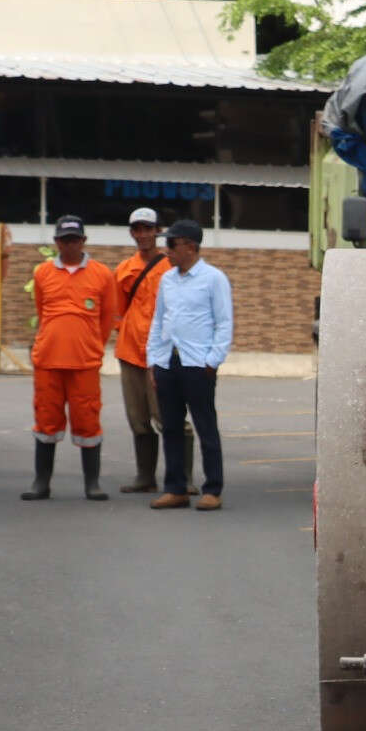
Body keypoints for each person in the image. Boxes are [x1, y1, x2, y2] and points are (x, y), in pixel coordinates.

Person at [26, 214, 120, 502]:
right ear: (56, 242)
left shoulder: (102, 274)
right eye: (64, 240)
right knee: (46, 420)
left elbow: (108, 318)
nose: (70, 245)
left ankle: (92, 483)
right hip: (49, 362)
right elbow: (43, 312)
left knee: (88, 421)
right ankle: (42, 482)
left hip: (84, 364)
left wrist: (89, 344)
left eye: (74, 239)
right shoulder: (42, 273)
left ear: (84, 241)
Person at [145, 219, 230, 512]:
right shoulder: (167, 279)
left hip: (198, 364)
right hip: (169, 361)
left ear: (190, 247)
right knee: (170, 427)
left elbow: (224, 323)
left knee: (205, 426)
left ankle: (212, 489)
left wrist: (212, 361)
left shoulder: (213, 278)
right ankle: (175, 488)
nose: (166, 250)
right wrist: (154, 360)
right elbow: (159, 321)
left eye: (171, 244)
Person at [110, 206, 169, 493]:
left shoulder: (171, 268)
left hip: (163, 357)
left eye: (149, 228)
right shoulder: (123, 270)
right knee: (138, 419)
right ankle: (145, 477)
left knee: (168, 417)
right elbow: (116, 314)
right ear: (132, 233)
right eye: (138, 229)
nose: (143, 234)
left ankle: (181, 478)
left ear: (158, 230)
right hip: (131, 355)